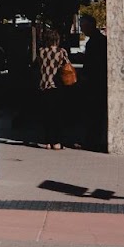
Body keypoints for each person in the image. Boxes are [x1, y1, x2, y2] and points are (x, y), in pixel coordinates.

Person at [33, 23, 75, 149]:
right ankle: (57, 142)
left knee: (46, 115)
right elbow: (67, 66)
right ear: (56, 39)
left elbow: (36, 66)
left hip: (44, 86)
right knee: (58, 115)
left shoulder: (41, 52)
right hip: (57, 86)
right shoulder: (61, 52)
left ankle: (47, 142)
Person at [79, 14, 109, 151]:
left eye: (83, 26)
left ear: (90, 26)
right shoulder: (101, 40)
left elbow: (93, 64)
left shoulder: (94, 42)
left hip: (94, 83)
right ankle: (94, 140)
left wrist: (85, 76)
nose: (81, 29)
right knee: (96, 113)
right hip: (98, 82)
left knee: (94, 113)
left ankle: (93, 141)